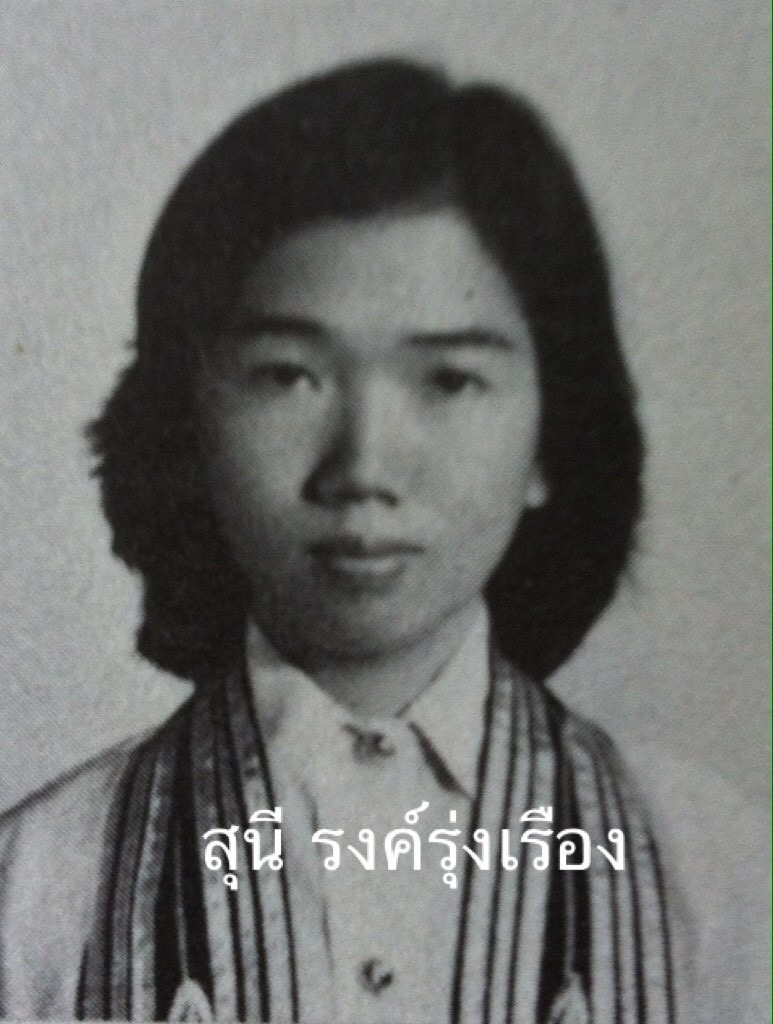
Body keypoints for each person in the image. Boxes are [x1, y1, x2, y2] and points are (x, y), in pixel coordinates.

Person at [0, 58, 680, 1023]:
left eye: (448, 381)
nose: (362, 468)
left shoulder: (718, 881)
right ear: (187, 421)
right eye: (289, 375)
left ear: (551, 437)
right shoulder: (33, 893)